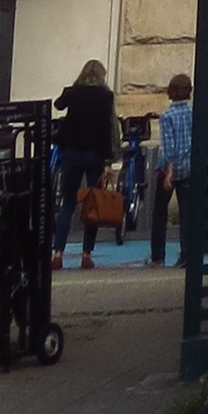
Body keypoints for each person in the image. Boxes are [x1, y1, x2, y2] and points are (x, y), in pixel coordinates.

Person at [51, 57, 119, 268]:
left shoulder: (73, 93)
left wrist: (70, 89)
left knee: (68, 202)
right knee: (93, 203)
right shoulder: (106, 96)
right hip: (94, 154)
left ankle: (58, 253)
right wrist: (108, 161)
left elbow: (58, 104)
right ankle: (86, 254)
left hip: (71, 151)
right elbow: (106, 129)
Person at [149, 72, 194, 267]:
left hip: (169, 170)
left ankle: (158, 256)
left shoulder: (167, 116)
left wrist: (169, 172)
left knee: (160, 212)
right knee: (187, 214)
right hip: (188, 167)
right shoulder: (194, 113)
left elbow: (168, 147)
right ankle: (186, 255)